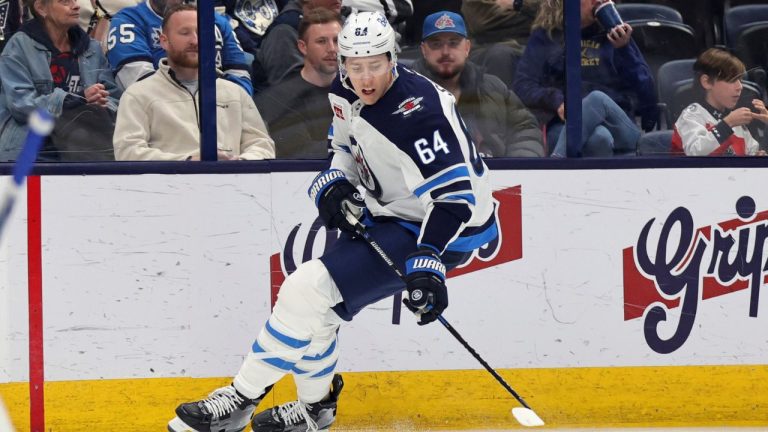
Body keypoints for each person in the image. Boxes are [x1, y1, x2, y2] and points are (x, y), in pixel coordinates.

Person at [168, 10, 498, 432]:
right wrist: (336, 180)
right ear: (343, 63)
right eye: (355, 66)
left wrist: (429, 256)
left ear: (393, 58)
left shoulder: (419, 112)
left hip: (444, 227)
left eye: (375, 65)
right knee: (319, 310)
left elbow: (453, 199)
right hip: (393, 212)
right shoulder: (344, 87)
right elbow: (344, 144)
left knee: (305, 290)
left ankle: (240, 399)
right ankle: (315, 410)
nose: (365, 78)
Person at [113, 4, 274, 160]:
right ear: (164, 41)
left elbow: (262, 145)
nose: (195, 41)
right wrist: (188, 162)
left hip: (234, 178)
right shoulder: (138, 95)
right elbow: (128, 152)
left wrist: (240, 163)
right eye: (185, 33)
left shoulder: (235, 93)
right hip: (171, 179)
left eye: (201, 32)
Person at [513, 0, 656, 157]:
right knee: (599, 138)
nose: (598, 0)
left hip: (618, 126)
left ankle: (556, 163)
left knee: (596, 99)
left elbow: (647, 92)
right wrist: (557, 100)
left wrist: (624, 49)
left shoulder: (616, 35)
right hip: (564, 125)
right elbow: (523, 85)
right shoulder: (547, 36)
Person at [0, 0, 121, 161]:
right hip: (34, 150)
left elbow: (114, 98)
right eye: (65, 1)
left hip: (85, 144)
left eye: (75, 0)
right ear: (41, 8)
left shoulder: (91, 48)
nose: (76, 5)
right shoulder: (18, 47)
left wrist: (101, 102)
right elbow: (21, 105)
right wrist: (75, 100)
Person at [411, 11, 543, 157]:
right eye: (436, 44)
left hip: (493, 170)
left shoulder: (492, 87)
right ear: (424, 50)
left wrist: (515, 164)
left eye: (453, 43)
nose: (445, 52)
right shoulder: (405, 91)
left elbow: (524, 128)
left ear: (467, 48)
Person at [106, 0, 253, 95]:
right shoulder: (129, 20)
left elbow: (240, 74)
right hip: (164, 115)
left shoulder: (216, 20)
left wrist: (229, 104)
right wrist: (191, 104)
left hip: (221, 107)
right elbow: (139, 85)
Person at [254, 7, 340, 158]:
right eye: (321, 41)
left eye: (337, 41)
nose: (332, 49)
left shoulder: (359, 92)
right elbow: (300, 154)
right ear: (303, 47)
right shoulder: (277, 99)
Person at [672, 48, 768, 156]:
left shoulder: (734, 121)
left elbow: (752, 152)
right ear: (707, 82)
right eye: (731, 80)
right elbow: (695, 152)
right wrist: (727, 124)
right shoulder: (690, 116)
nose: (740, 87)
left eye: (740, 80)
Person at [255, 0, 343, 88]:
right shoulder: (283, 32)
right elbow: (291, 88)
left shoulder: (342, 22)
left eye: (336, 41)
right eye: (321, 41)